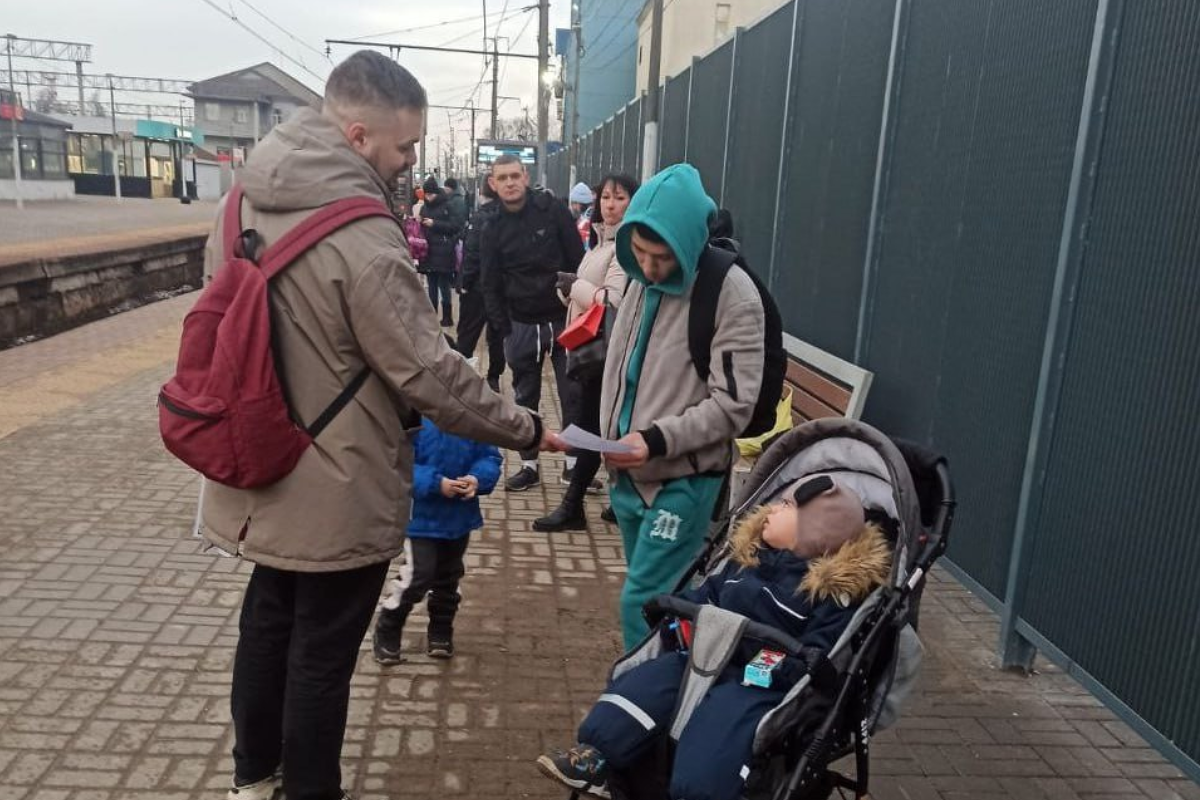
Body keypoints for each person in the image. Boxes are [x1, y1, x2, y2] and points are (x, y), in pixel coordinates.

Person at [199, 50, 563, 800]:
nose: (410, 162)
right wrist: (526, 429)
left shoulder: (237, 203)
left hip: (257, 452)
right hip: (337, 475)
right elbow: (429, 372)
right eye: (404, 148)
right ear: (358, 136)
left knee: (268, 621)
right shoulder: (362, 235)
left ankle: (250, 778)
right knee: (322, 653)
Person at [537, 478, 891, 800]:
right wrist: (680, 615)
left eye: (785, 506)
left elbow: (821, 651)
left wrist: (771, 668)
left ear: (817, 531)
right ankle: (598, 755)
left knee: (725, 720)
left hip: (760, 678)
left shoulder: (830, 594)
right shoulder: (746, 562)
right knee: (649, 679)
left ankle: (699, 792)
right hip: (703, 654)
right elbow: (707, 595)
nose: (771, 509)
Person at [600, 163, 767, 649]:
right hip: (629, 472)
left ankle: (642, 706)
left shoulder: (733, 296)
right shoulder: (638, 278)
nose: (649, 268)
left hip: (683, 478)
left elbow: (735, 404)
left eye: (661, 257)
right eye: (639, 252)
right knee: (667, 596)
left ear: (690, 240)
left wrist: (654, 441)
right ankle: (682, 684)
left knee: (645, 601)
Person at [534, 173, 638, 532]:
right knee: (595, 425)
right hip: (589, 347)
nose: (610, 204)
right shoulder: (599, 242)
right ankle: (617, 503)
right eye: (606, 196)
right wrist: (568, 290)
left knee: (592, 426)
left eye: (620, 197)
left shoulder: (626, 245)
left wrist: (576, 285)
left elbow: (614, 301)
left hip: (605, 353)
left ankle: (574, 503)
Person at [481, 154, 586, 492]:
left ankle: (573, 466)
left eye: (515, 175)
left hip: (562, 319)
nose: (510, 183)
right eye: (503, 178)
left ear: (525, 177)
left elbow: (577, 260)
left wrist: (577, 306)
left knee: (573, 394)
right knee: (525, 395)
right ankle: (528, 465)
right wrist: (503, 328)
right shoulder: (490, 224)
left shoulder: (552, 209)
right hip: (520, 323)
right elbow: (489, 280)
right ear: (492, 184)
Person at [372, 414, 501, 663]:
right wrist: (434, 482)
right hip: (420, 519)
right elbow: (397, 462)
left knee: (449, 577)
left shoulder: (471, 417)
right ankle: (389, 624)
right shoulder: (411, 416)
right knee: (418, 575)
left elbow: (490, 456)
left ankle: (441, 628)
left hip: (458, 518)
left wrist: (477, 479)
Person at [455, 180, 507, 392]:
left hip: (478, 289)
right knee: (497, 336)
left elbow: (473, 255)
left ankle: (461, 375)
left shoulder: (480, 218)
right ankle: (494, 377)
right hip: (503, 289)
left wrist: (464, 282)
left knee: (467, 332)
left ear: (482, 193)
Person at [418, 176, 464, 327]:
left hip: (444, 251)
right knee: (431, 285)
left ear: (436, 193)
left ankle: (447, 317)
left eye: (431, 194)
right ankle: (432, 317)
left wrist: (434, 224)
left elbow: (455, 226)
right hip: (428, 251)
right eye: (426, 195)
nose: (429, 197)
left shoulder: (447, 206)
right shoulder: (424, 208)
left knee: (444, 286)